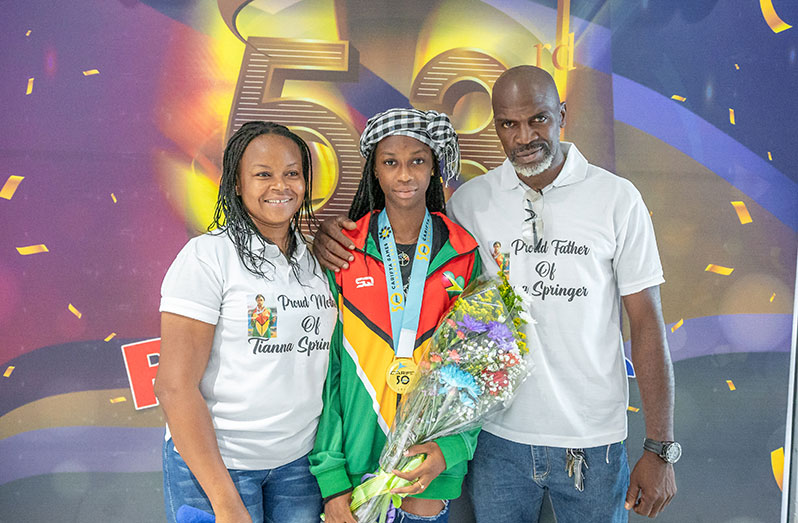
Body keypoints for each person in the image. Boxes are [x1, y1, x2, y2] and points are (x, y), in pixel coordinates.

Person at [313, 66, 677, 522]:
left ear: (562, 115)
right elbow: (406, 243)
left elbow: (646, 322)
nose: (525, 136)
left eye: (538, 119)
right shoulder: (470, 205)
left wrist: (660, 447)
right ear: (496, 127)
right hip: (497, 442)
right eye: (509, 123)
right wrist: (328, 237)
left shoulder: (617, 199)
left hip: (594, 442)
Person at [155, 121, 337, 523]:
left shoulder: (314, 262)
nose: (281, 185)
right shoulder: (207, 257)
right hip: (218, 469)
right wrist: (224, 501)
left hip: (299, 468)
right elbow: (173, 387)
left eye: (292, 172)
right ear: (236, 184)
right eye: (262, 174)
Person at [309, 108, 483, 523]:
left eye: (417, 161)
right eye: (390, 162)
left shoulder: (464, 254)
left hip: (429, 465)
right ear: (374, 171)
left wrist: (453, 449)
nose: (404, 174)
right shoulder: (345, 252)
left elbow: (479, 368)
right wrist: (332, 476)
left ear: (434, 169)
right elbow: (328, 370)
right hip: (354, 462)